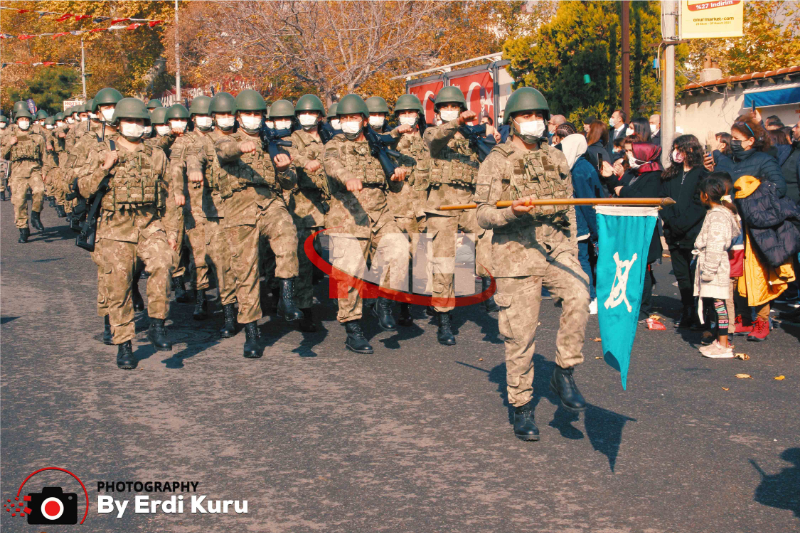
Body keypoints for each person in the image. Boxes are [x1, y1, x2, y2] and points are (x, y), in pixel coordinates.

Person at [474, 87, 589, 441]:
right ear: (513, 121)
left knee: (579, 294)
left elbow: (568, 207)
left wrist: (570, 249)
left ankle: (564, 371)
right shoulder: (496, 160)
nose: (534, 122)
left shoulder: (555, 158)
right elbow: (481, 214)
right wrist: (511, 211)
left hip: (555, 248)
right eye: (526, 116)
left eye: (539, 116)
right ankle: (522, 406)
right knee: (520, 335)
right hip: (515, 255)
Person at [77, 97, 178, 369]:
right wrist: (104, 167)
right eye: (129, 120)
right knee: (118, 288)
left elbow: (169, 196)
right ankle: (124, 344)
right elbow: (83, 188)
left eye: (139, 121)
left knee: (164, 262)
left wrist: (172, 231)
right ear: (118, 123)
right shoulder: (103, 151)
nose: (134, 125)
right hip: (114, 228)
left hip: (148, 223)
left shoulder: (155, 154)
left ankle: (157, 324)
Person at [213, 89, 303, 359]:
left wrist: (286, 170)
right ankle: (252, 332)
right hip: (239, 207)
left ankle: (287, 298)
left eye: (257, 114)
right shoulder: (226, 140)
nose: (253, 118)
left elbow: (289, 183)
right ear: (239, 117)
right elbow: (224, 151)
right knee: (246, 271)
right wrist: (240, 146)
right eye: (248, 114)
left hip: (269, 201)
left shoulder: (272, 142)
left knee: (287, 232)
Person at [322, 94, 410, 354]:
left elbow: (393, 186)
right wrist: (347, 176)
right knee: (349, 273)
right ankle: (353, 330)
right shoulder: (334, 144)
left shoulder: (377, 145)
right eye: (344, 118)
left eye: (353, 118)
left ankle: (382, 302)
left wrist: (397, 177)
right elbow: (331, 164)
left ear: (363, 119)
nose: (349, 122)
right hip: (347, 215)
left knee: (400, 252)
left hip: (381, 213)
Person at [422, 86, 499, 345]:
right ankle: (444, 320)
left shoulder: (471, 136)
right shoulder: (432, 131)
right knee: (444, 263)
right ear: (439, 112)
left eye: (455, 107)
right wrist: (457, 122)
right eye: (446, 107)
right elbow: (436, 140)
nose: (451, 110)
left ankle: (488, 289)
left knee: (487, 239)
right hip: (442, 207)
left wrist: (489, 137)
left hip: (469, 202)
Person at [185, 92, 240, 339]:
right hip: (214, 212)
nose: (225, 118)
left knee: (248, 264)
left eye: (230, 114)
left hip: (244, 210)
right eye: (221, 114)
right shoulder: (203, 143)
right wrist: (195, 171)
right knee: (218, 262)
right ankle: (226, 312)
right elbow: (193, 160)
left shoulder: (245, 139)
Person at [733, 171, 800, 342]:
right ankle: (746, 318)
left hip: (758, 245)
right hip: (748, 240)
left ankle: (760, 320)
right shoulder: (765, 194)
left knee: (758, 281)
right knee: (745, 281)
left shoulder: (753, 195)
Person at [602, 136, 663, 322]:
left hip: (643, 227)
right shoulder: (633, 172)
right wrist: (610, 177)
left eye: (631, 152)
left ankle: (643, 308)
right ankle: (628, 302)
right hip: (627, 226)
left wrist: (623, 191)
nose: (627, 155)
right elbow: (618, 188)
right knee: (628, 266)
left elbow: (644, 197)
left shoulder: (654, 175)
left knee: (642, 269)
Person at [287, 94, 331, 332]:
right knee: (303, 261)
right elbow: (292, 156)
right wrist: (306, 162)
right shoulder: (293, 138)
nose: (307, 117)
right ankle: (304, 309)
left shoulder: (329, 137)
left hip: (330, 204)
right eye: (302, 113)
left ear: (320, 116)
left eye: (311, 113)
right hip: (303, 206)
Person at [659, 135, 708, 328]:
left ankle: (699, 312)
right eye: (675, 148)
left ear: (691, 150)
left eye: (681, 149)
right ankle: (686, 308)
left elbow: (699, 204)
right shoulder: (670, 174)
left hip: (692, 232)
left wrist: (682, 224)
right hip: (673, 232)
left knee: (694, 273)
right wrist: (671, 221)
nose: (677, 153)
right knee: (681, 274)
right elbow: (663, 199)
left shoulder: (702, 174)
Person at [389, 94, 429, 325]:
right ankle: (402, 305)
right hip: (401, 209)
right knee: (402, 260)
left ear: (418, 116)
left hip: (426, 207)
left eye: (411, 113)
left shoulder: (429, 140)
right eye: (402, 114)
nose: (407, 118)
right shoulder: (390, 141)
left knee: (425, 259)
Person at [693, 174, 741, 357]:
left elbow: (714, 244)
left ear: (705, 195)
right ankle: (720, 341)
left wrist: (708, 271)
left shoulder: (717, 216)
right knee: (717, 305)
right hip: (716, 264)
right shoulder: (720, 213)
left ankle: (723, 344)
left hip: (715, 267)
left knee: (720, 305)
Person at [561, 133, 604, 313]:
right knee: (584, 260)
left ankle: (591, 297)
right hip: (583, 222)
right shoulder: (583, 166)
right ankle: (588, 296)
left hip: (580, 223)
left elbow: (586, 202)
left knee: (583, 261)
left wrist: (595, 231)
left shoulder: (577, 169)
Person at [710, 116, 786, 197]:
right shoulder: (728, 159)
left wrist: (753, 200)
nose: (732, 141)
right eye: (732, 137)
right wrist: (708, 170)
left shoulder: (764, 160)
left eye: (736, 138)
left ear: (750, 141)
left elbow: (779, 188)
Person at [2, 102, 46, 243]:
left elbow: (44, 156)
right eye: (21, 120)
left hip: (34, 168)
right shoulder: (10, 136)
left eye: (26, 120)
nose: (24, 122)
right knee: (19, 201)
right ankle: (23, 228)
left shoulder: (37, 137)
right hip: (17, 171)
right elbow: (3, 154)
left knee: (39, 190)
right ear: (17, 121)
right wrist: (10, 143)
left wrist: (44, 171)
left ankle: (35, 215)